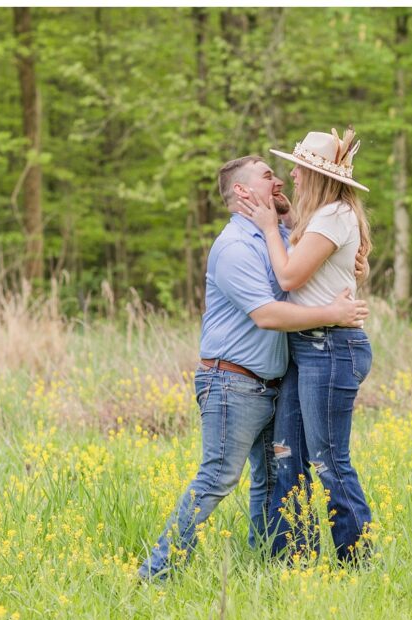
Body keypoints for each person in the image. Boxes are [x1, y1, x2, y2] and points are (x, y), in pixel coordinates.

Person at [138, 155, 370, 581]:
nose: (280, 182)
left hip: (273, 382)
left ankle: (271, 568)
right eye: (268, 177)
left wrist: (354, 263)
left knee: (274, 480)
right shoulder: (235, 248)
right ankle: (157, 572)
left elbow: (314, 267)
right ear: (243, 192)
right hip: (232, 381)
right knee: (217, 479)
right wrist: (331, 314)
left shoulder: (277, 235)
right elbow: (268, 314)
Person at [237, 127, 375, 565]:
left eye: (300, 168)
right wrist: (271, 211)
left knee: (330, 462)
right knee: (288, 455)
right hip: (308, 349)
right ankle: (297, 561)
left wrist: (266, 228)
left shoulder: (334, 215)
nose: (292, 174)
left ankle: (360, 563)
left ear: (318, 175)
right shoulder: (320, 216)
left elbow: (290, 277)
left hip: (331, 349)